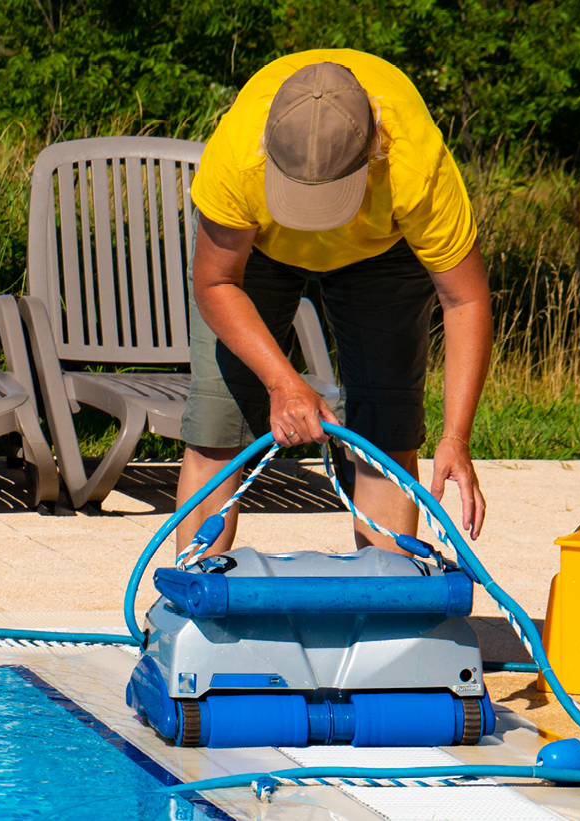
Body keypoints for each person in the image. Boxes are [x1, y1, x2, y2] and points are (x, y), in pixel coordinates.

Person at [176, 49, 492, 557]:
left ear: (375, 148)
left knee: (386, 433)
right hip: (259, 249)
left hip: (382, 249)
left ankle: (386, 597)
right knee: (217, 426)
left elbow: (465, 300)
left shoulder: (416, 164)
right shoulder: (235, 154)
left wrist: (456, 436)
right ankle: (194, 588)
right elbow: (216, 283)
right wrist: (283, 382)